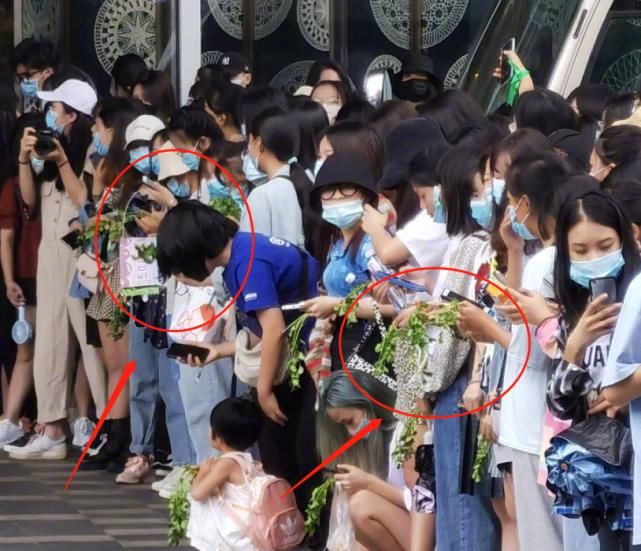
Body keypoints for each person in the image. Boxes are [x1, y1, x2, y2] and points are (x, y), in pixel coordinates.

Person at [156, 202, 320, 511]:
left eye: (178, 267)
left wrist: (264, 389)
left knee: (294, 460)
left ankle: (296, 535)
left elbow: (273, 331)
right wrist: (217, 351)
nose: (180, 277)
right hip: (297, 361)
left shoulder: (246, 264)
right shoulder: (241, 251)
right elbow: (260, 332)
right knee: (285, 457)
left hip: (305, 364)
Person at [9, 78, 107, 460]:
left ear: (74, 116)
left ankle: (107, 424)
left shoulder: (90, 154)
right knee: (48, 338)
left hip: (80, 254)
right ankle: (52, 427)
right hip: (49, 252)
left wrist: (63, 158)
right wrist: (24, 157)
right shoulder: (47, 156)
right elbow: (29, 203)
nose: (51, 115)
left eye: (57, 109)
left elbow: (83, 199)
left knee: (89, 342)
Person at [545, 188, 640, 549]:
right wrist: (574, 347)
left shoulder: (637, 298)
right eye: (580, 252)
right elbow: (559, 404)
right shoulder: (575, 311)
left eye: (605, 245)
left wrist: (624, 393)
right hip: (602, 469)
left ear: (626, 240)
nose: (594, 258)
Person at [303, 153, 395, 373]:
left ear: (365, 195)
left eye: (346, 188)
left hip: (371, 350)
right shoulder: (336, 244)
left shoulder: (372, 245)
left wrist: (336, 305)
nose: (336, 196)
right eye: (328, 190)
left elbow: (392, 306)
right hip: (342, 344)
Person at [187, 397, 264, 550]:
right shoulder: (251, 462)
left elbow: (198, 494)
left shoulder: (226, 464)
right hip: (251, 531)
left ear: (217, 436)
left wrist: (202, 473)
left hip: (233, 536)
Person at [239, 107, 309, 248]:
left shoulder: (262, 194)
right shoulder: (298, 182)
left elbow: (252, 252)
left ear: (258, 143)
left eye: (250, 141)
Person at [11, 37, 58, 110]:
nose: (24, 82)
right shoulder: (31, 101)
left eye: (28, 75)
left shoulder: (61, 107)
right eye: (20, 78)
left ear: (48, 72)